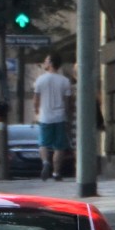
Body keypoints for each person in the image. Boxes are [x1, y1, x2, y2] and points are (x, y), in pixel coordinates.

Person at [33, 53, 75, 181]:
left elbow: (36, 100)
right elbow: (68, 101)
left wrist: (36, 111)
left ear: (51, 63)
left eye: (46, 61)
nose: (44, 63)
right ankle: (56, 172)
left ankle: (45, 162)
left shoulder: (40, 80)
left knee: (43, 144)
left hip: (45, 117)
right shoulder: (65, 81)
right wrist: (68, 115)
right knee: (59, 147)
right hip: (60, 117)